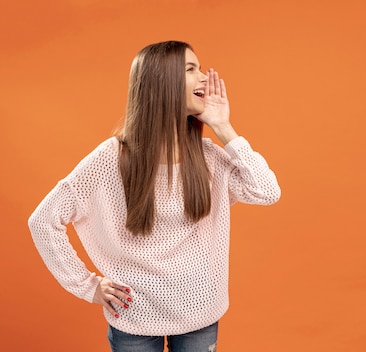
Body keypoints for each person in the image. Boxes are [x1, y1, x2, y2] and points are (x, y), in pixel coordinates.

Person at [28, 40, 281, 352]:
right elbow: (43, 220)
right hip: (134, 313)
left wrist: (224, 127)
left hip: (199, 313)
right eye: (191, 69)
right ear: (162, 83)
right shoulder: (111, 159)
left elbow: (267, 191)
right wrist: (87, 287)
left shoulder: (208, 156)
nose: (204, 77)